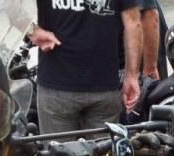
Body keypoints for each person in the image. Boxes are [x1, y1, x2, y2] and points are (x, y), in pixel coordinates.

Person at [28, 0, 143, 133]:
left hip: (56, 87)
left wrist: (33, 32)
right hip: (104, 85)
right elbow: (133, 23)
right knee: (102, 146)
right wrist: (132, 76)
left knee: (57, 146)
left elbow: (12, 8)